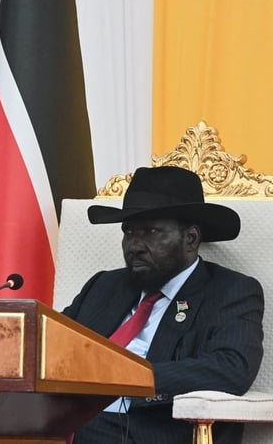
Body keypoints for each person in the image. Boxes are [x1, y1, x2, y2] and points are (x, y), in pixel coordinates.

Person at [62, 166, 264, 444]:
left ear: (190, 239)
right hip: (65, 420)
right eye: (129, 232)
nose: (134, 245)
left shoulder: (230, 291)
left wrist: (128, 375)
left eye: (151, 232)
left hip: (150, 429)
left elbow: (231, 368)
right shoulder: (104, 286)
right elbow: (56, 340)